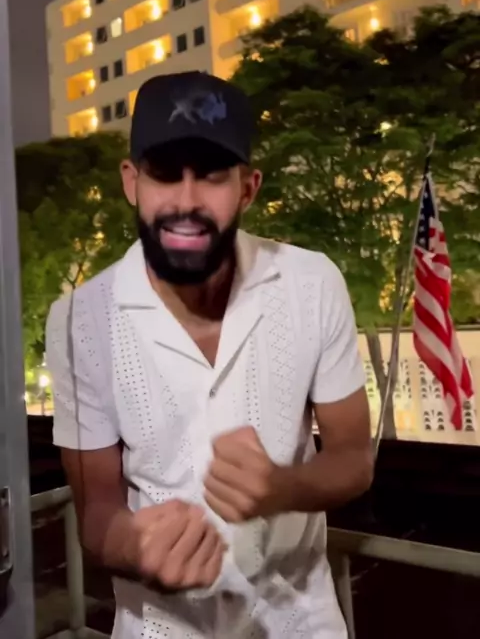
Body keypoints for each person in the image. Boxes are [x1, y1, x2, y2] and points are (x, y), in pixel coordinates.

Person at [46, 71, 373, 639]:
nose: (186, 201)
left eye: (212, 174)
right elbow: (95, 508)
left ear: (248, 187)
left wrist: (282, 488)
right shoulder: (79, 320)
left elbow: (354, 458)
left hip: (301, 625)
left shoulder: (312, 283)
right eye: (165, 173)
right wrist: (130, 544)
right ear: (132, 182)